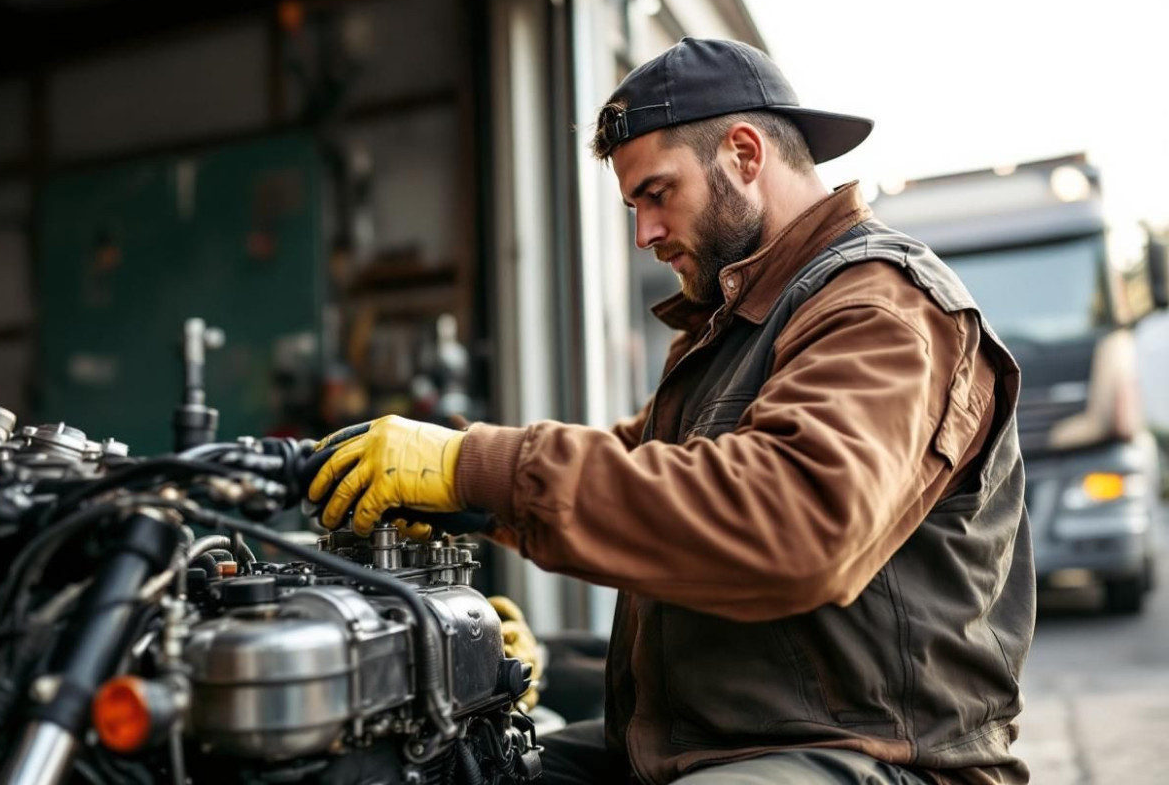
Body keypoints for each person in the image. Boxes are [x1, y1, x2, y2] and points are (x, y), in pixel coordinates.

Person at [306, 38, 1032, 784]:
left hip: (874, 757)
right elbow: (642, 462)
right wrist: (461, 493)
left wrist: (475, 469)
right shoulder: (747, 321)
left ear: (745, 154)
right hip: (697, 742)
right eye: (633, 205)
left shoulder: (881, 308)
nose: (644, 232)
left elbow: (795, 523)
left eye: (657, 193)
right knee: (445, 771)